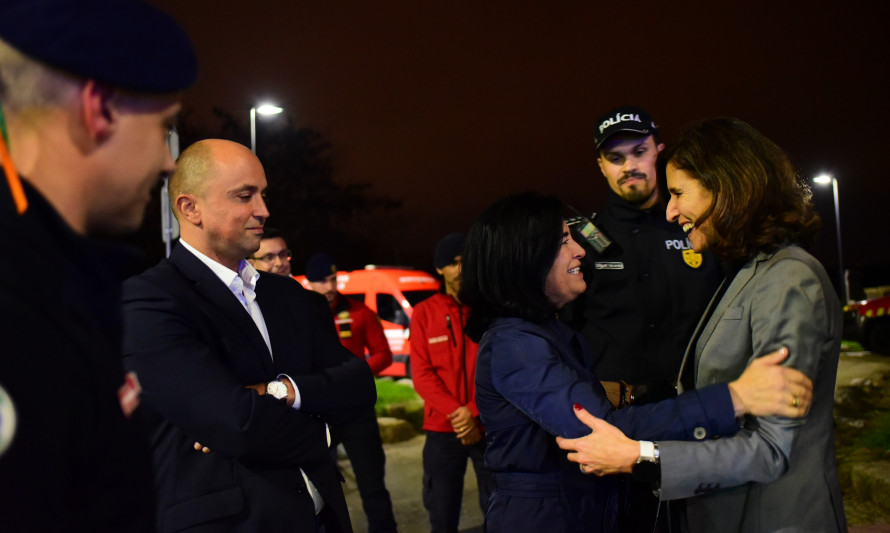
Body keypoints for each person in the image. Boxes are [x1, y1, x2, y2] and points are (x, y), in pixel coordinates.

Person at [460, 192, 815, 533]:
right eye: (564, 241)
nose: (580, 251)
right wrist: (733, 398)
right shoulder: (516, 344)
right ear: (526, 258)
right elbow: (601, 431)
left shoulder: (545, 334)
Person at [557, 118, 847, 532]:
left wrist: (641, 455)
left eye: (678, 193)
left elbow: (772, 447)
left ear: (727, 187)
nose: (671, 209)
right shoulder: (746, 271)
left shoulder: (789, 279)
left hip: (776, 517)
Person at [0, 0, 196, 530]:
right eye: (165, 128)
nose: (168, 162)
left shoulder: (56, 278)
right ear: (101, 108)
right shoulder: (20, 309)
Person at [122, 139, 376, 533]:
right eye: (245, 196)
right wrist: (322, 425)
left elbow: (359, 384)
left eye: (263, 194)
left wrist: (279, 391)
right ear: (190, 208)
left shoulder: (289, 295)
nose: (264, 210)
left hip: (323, 519)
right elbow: (235, 424)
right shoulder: (150, 300)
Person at [564, 105, 724, 531]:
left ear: (659, 152)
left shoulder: (698, 227)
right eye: (615, 158)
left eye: (639, 151)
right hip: (621, 425)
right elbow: (563, 334)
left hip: (701, 415)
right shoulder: (583, 240)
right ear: (601, 166)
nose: (629, 166)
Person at [304, 252, 398, 533]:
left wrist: (357, 375)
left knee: (373, 487)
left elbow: (383, 354)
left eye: (333, 280)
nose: (330, 287)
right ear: (310, 283)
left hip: (358, 413)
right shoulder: (302, 316)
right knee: (322, 491)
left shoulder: (360, 312)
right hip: (320, 415)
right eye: (322, 282)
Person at [409, 232, 492, 533]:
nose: (461, 269)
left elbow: (498, 368)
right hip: (444, 430)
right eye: (454, 263)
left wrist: (473, 411)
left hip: (487, 425)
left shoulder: (489, 310)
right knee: (442, 514)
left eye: (466, 261)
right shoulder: (424, 313)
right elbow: (421, 374)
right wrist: (459, 413)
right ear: (440, 269)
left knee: (499, 510)